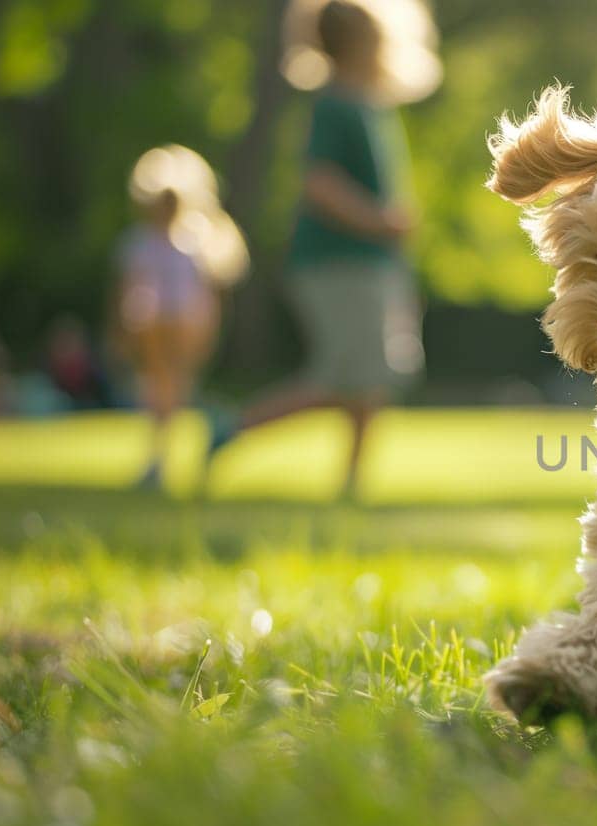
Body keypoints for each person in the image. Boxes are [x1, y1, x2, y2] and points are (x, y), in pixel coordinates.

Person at [208, 0, 438, 498]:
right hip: (339, 263)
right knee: (343, 379)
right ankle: (233, 426)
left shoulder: (366, 103)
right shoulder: (334, 104)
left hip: (367, 262)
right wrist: (379, 220)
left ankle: (352, 482)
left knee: (370, 379)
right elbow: (320, 184)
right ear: (360, 42)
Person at [115, 144, 248, 489]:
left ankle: (199, 438)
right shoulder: (140, 244)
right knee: (161, 390)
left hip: (185, 323)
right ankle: (161, 458)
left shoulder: (195, 243)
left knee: (176, 388)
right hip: (154, 324)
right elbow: (130, 291)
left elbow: (205, 296)